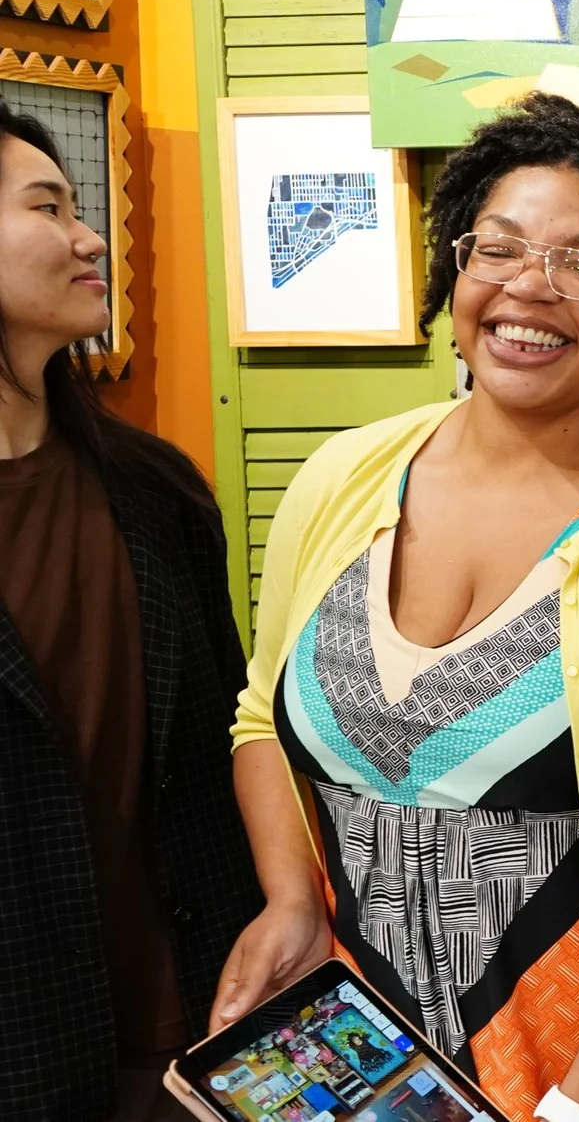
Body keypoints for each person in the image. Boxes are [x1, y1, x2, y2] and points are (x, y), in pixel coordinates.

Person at [215, 93, 579, 1122]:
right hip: (368, 1050)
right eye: (501, 247)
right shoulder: (343, 474)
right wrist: (292, 900)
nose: (530, 285)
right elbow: (262, 715)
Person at [0, 102, 262, 1122]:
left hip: (188, 1034)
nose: (90, 238)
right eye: (48, 208)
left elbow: (228, 740)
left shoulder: (158, 490)